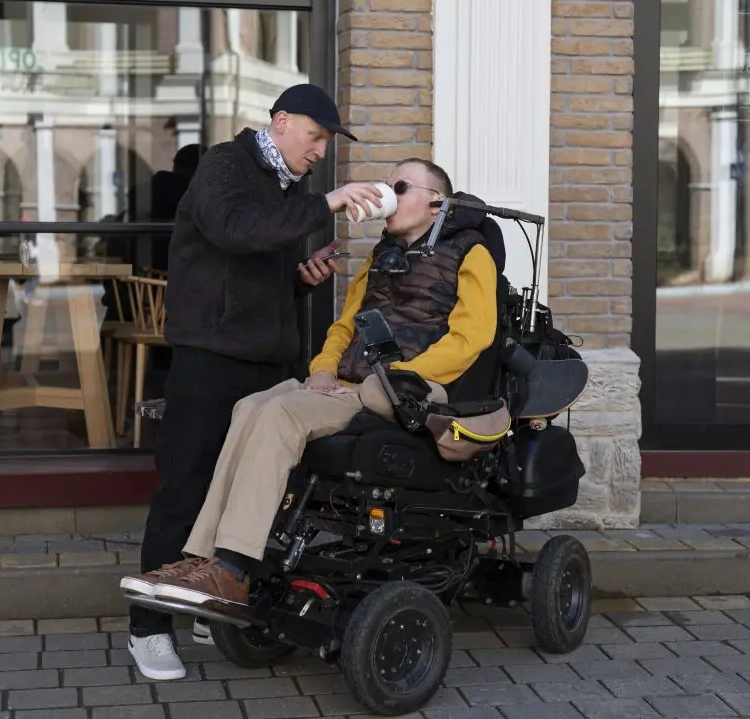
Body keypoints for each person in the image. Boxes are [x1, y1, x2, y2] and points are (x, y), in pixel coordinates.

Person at [121, 158, 499, 625]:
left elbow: (472, 337)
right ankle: (206, 559)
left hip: (409, 391)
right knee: (251, 406)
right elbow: (346, 325)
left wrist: (399, 376)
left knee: (281, 415)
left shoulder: (471, 253)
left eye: (399, 187)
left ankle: (235, 567)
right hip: (351, 383)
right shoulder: (383, 255)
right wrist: (322, 369)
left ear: (436, 200)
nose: (387, 193)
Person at [127, 82, 386, 681]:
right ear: (282, 120)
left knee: (250, 493)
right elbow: (233, 229)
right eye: (316, 137)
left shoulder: (285, 188)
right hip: (210, 360)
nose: (321, 152)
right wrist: (328, 203)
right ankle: (148, 628)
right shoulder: (225, 165)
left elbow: (249, 262)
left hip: (268, 365)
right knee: (185, 489)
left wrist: (299, 280)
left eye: (327, 142)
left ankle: (209, 602)